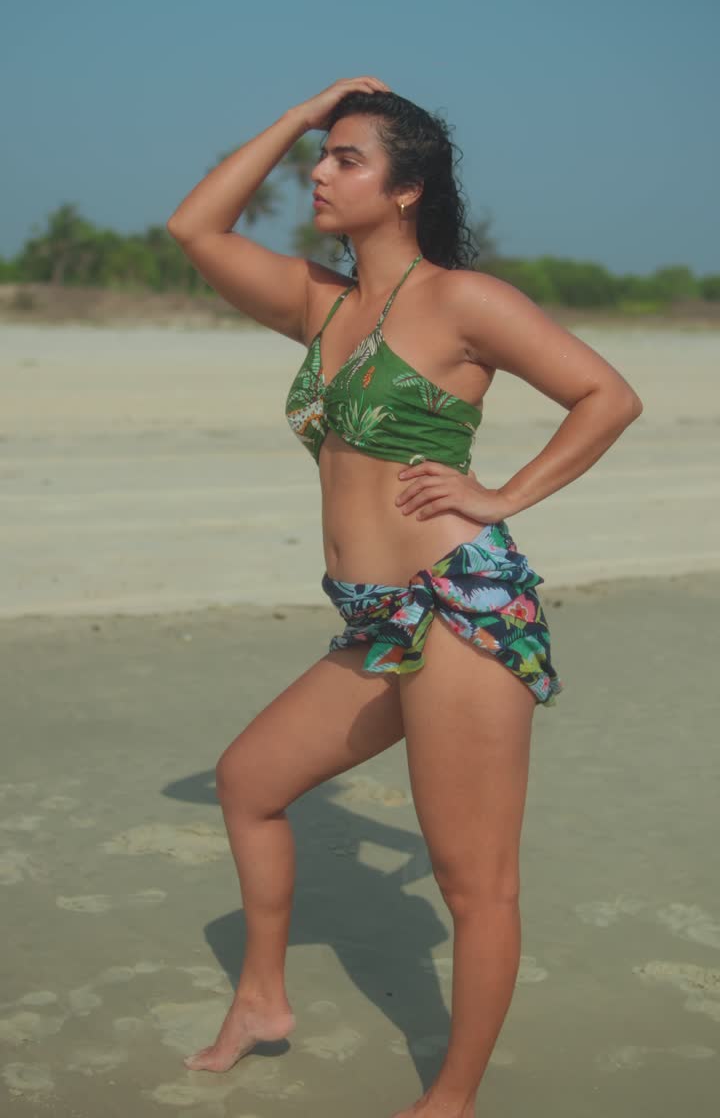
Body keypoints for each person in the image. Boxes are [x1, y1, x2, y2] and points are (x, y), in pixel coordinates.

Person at [166, 77, 643, 1118]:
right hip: (379, 620)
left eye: (345, 158)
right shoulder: (322, 301)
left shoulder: (462, 301)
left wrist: (503, 492)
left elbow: (608, 395)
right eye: (318, 156)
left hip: (461, 608)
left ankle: (452, 1098)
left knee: (473, 883)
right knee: (249, 780)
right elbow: (194, 225)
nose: (318, 174)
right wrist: (300, 112)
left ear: (407, 188)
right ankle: (260, 1002)